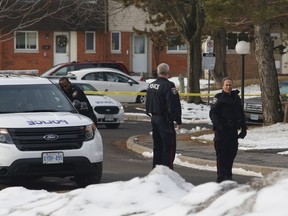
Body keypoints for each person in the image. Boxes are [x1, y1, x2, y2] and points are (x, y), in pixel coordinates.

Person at [209, 77, 247, 183]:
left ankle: (228, 175)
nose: (228, 87)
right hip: (222, 131)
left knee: (232, 153)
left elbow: (241, 114)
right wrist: (218, 125)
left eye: (230, 85)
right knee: (222, 154)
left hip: (233, 131)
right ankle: (221, 177)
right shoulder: (219, 97)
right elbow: (213, 113)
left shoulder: (236, 98)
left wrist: (244, 129)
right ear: (222, 86)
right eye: (226, 85)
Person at [145, 63, 182, 170]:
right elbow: (173, 104)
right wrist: (177, 120)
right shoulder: (168, 85)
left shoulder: (151, 85)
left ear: (158, 71)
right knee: (168, 146)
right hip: (165, 120)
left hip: (154, 118)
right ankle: (167, 170)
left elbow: (148, 103)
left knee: (158, 146)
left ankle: (156, 169)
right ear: (168, 71)